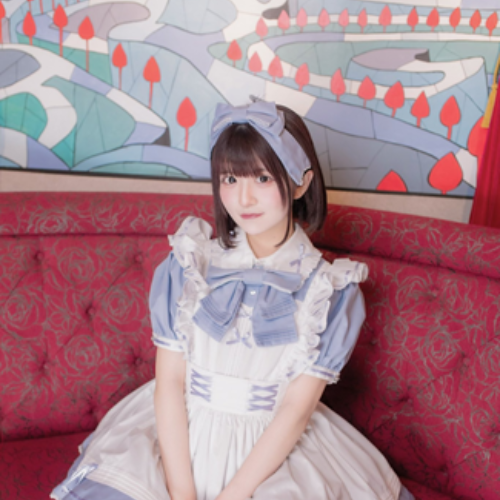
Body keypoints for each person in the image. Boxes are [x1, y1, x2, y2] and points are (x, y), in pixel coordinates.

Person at [51, 101, 415, 500]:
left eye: (262, 178)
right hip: (176, 438)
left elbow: (296, 409)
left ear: (300, 182)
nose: (243, 198)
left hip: (272, 452)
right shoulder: (190, 264)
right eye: (229, 178)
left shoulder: (330, 290)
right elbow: (169, 383)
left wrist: (234, 494)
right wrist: (181, 492)